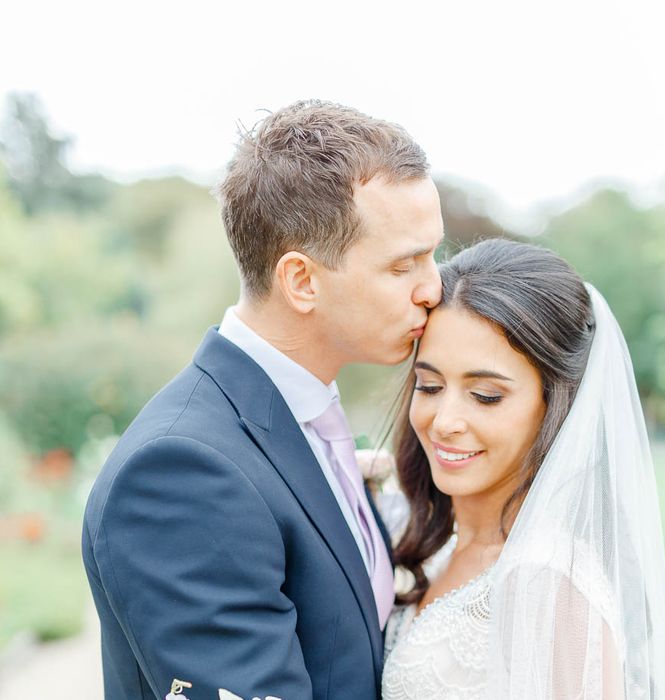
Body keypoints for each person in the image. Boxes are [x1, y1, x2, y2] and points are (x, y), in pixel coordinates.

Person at [81, 100, 444, 700]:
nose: (433, 288)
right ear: (301, 280)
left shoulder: (302, 428)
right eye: (404, 265)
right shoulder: (182, 475)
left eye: (433, 255)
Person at [382, 239, 665, 699]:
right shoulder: (435, 541)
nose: (444, 421)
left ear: (556, 406)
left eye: (486, 396)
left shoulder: (551, 587)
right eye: (430, 385)